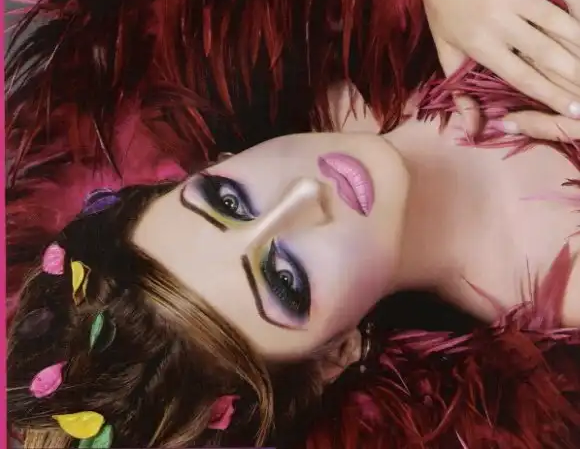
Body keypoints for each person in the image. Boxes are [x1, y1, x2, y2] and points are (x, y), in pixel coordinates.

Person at [7, 127, 579, 448]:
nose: (303, 197)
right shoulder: (568, 283)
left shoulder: (328, 28)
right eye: (286, 281)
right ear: (337, 354)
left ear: (218, 161)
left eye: (228, 201)